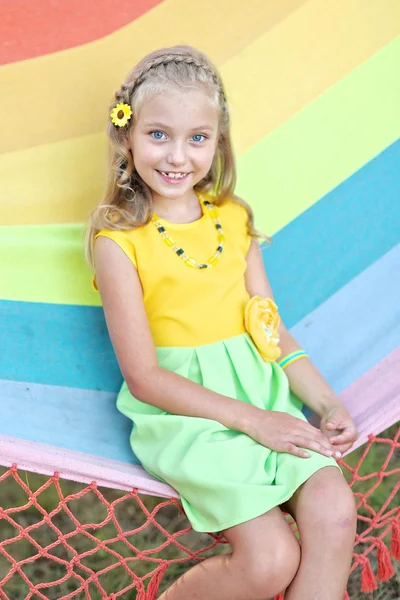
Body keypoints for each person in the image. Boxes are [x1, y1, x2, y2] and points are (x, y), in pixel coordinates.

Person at [86, 45, 358, 600]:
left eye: (197, 137)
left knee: (334, 513)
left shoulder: (234, 221)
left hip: (265, 401)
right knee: (270, 560)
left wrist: (326, 403)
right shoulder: (118, 244)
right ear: (126, 136)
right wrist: (255, 422)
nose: (177, 156)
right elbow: (145, 378)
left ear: (218, 141)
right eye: (158, 134)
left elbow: (271, 331)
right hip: (190, 419)